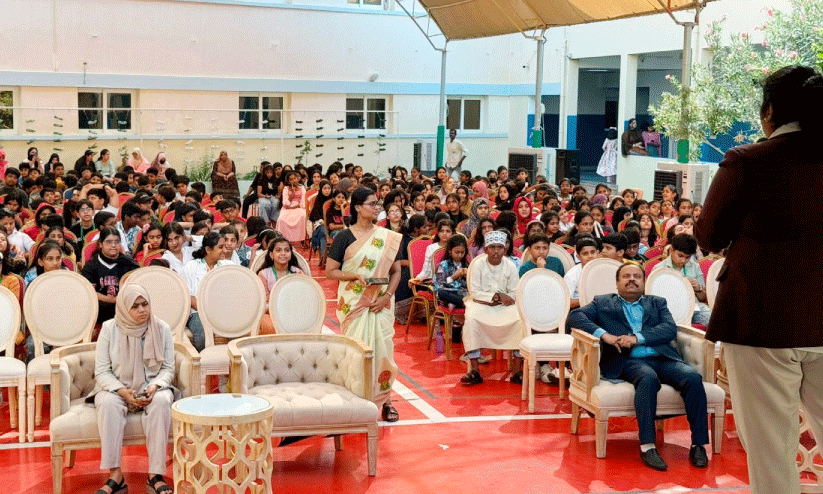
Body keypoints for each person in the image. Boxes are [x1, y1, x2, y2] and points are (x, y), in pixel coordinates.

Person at [693, 66, 823, 494]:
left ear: (769, 111)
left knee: (772, 450)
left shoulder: (749, 161)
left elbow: (710, 237)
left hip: (761, 320)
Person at [567, 263, 709, 471]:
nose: (632, 279)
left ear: (644, 282)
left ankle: (698, 445)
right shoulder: (602, 302)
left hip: (662, 357)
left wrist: (637, 338)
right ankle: (647, 446)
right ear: (617, 283)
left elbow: (669, 329)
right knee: (648, 378)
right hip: (629, 361)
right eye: (626, 276)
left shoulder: (657, 303)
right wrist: (604, 335)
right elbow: (575, 317)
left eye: (637, 276)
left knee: (692, 377)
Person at [325, 187, 403, 422]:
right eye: (372, 204)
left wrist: (386, 297)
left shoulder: (386, 237)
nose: (377, 207)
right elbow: (331, 271)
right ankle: (354, 400)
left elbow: (396, 271)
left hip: (381, 302)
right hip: (354, 303)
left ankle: (386, 400)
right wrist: (354, 276)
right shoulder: (344, 237)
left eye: (378, 203)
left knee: (383, 352)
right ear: (358, 207)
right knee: (356, 353)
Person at [89, 284, 175, 494]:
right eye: (135, 306)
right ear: (124, 307)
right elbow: (102, 371)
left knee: (162, 401)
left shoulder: (162, 328)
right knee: (107, 403)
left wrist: (154, 386)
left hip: (152, 388)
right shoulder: (109, 329)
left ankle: (155, 475)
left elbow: (168, 369)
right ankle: (115, 476)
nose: (142, 310)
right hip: (117, 388)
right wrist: (121, 391)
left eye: (145, 304)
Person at [460, 230, 524, 385]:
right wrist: (496, 296)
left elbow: (514, 292)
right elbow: (474, 292)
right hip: (481, 304)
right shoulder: (478, 265)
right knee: (471, 321)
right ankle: (474, 371)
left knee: (520, 322)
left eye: (500, 247)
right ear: (486, 249)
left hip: (505, 306)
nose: (496, 251)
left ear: (504, 249)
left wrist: (503, 298)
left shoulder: (510, 266)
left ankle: (517, 371)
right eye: (492, 247)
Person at [182, 232, 230, 352]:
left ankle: (231, 361)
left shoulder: (228, 266)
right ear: (208, 249)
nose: (225, 250)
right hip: (197, 312)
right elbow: (187, 295)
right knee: (202, 336)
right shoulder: (191, 266)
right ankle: (203, 361)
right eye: (220, 247)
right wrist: (206, 310)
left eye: (224, 247)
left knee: (238, 330)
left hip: (223, 311)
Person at [82, 227, 140, 324]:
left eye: (116, 242)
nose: (113, 245)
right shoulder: (91, 265)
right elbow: (90, 292)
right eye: (108, 242)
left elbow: (137, 289)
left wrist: (120, 300)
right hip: (101, 309)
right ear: (101, 244)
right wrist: (112, 300)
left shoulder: (129, 263)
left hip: (124, 308)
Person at [651, 233, 709, 325]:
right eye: (680, 256)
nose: (683, 261)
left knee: (711, 319)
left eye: (687, 257)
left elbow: (703, 298)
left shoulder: (695, 267)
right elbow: (654, 300)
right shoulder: (659, 269)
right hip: (669, 309)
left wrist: (698, 288)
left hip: (694, 308)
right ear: (671, 250)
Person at [257, 236, 304, 334]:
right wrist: (277, 311)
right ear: (271, 255)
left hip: (294, 311)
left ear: (291, 254)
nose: (283, 253)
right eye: (278, 250)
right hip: (270, 313)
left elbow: (303, 297)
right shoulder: (264, 274)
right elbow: (262, 301)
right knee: (268, 325)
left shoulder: (298, 273)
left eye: (287, 250)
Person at [564, 235, 601, 310]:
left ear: (597, 253)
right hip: (581, 310)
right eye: (585, 254)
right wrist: (589, 300)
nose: (590, 256)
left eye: (592, 252)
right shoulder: (572, 274)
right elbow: (566, 302)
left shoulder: (604, 269)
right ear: (578, 257)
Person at [276, 171, 307, 244]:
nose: (294, 181)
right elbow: (285, 203)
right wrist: (292, 195)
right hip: (287, 208)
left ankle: (301, 239)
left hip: (299, 207)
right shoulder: (286, 189)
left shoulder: (302, 188)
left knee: (303, 216)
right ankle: (283, 239)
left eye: (295, 178)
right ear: (288, 181)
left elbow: (303, 201)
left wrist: (298, 206)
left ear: (298, 179)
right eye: (291, 179)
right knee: (281, 219)